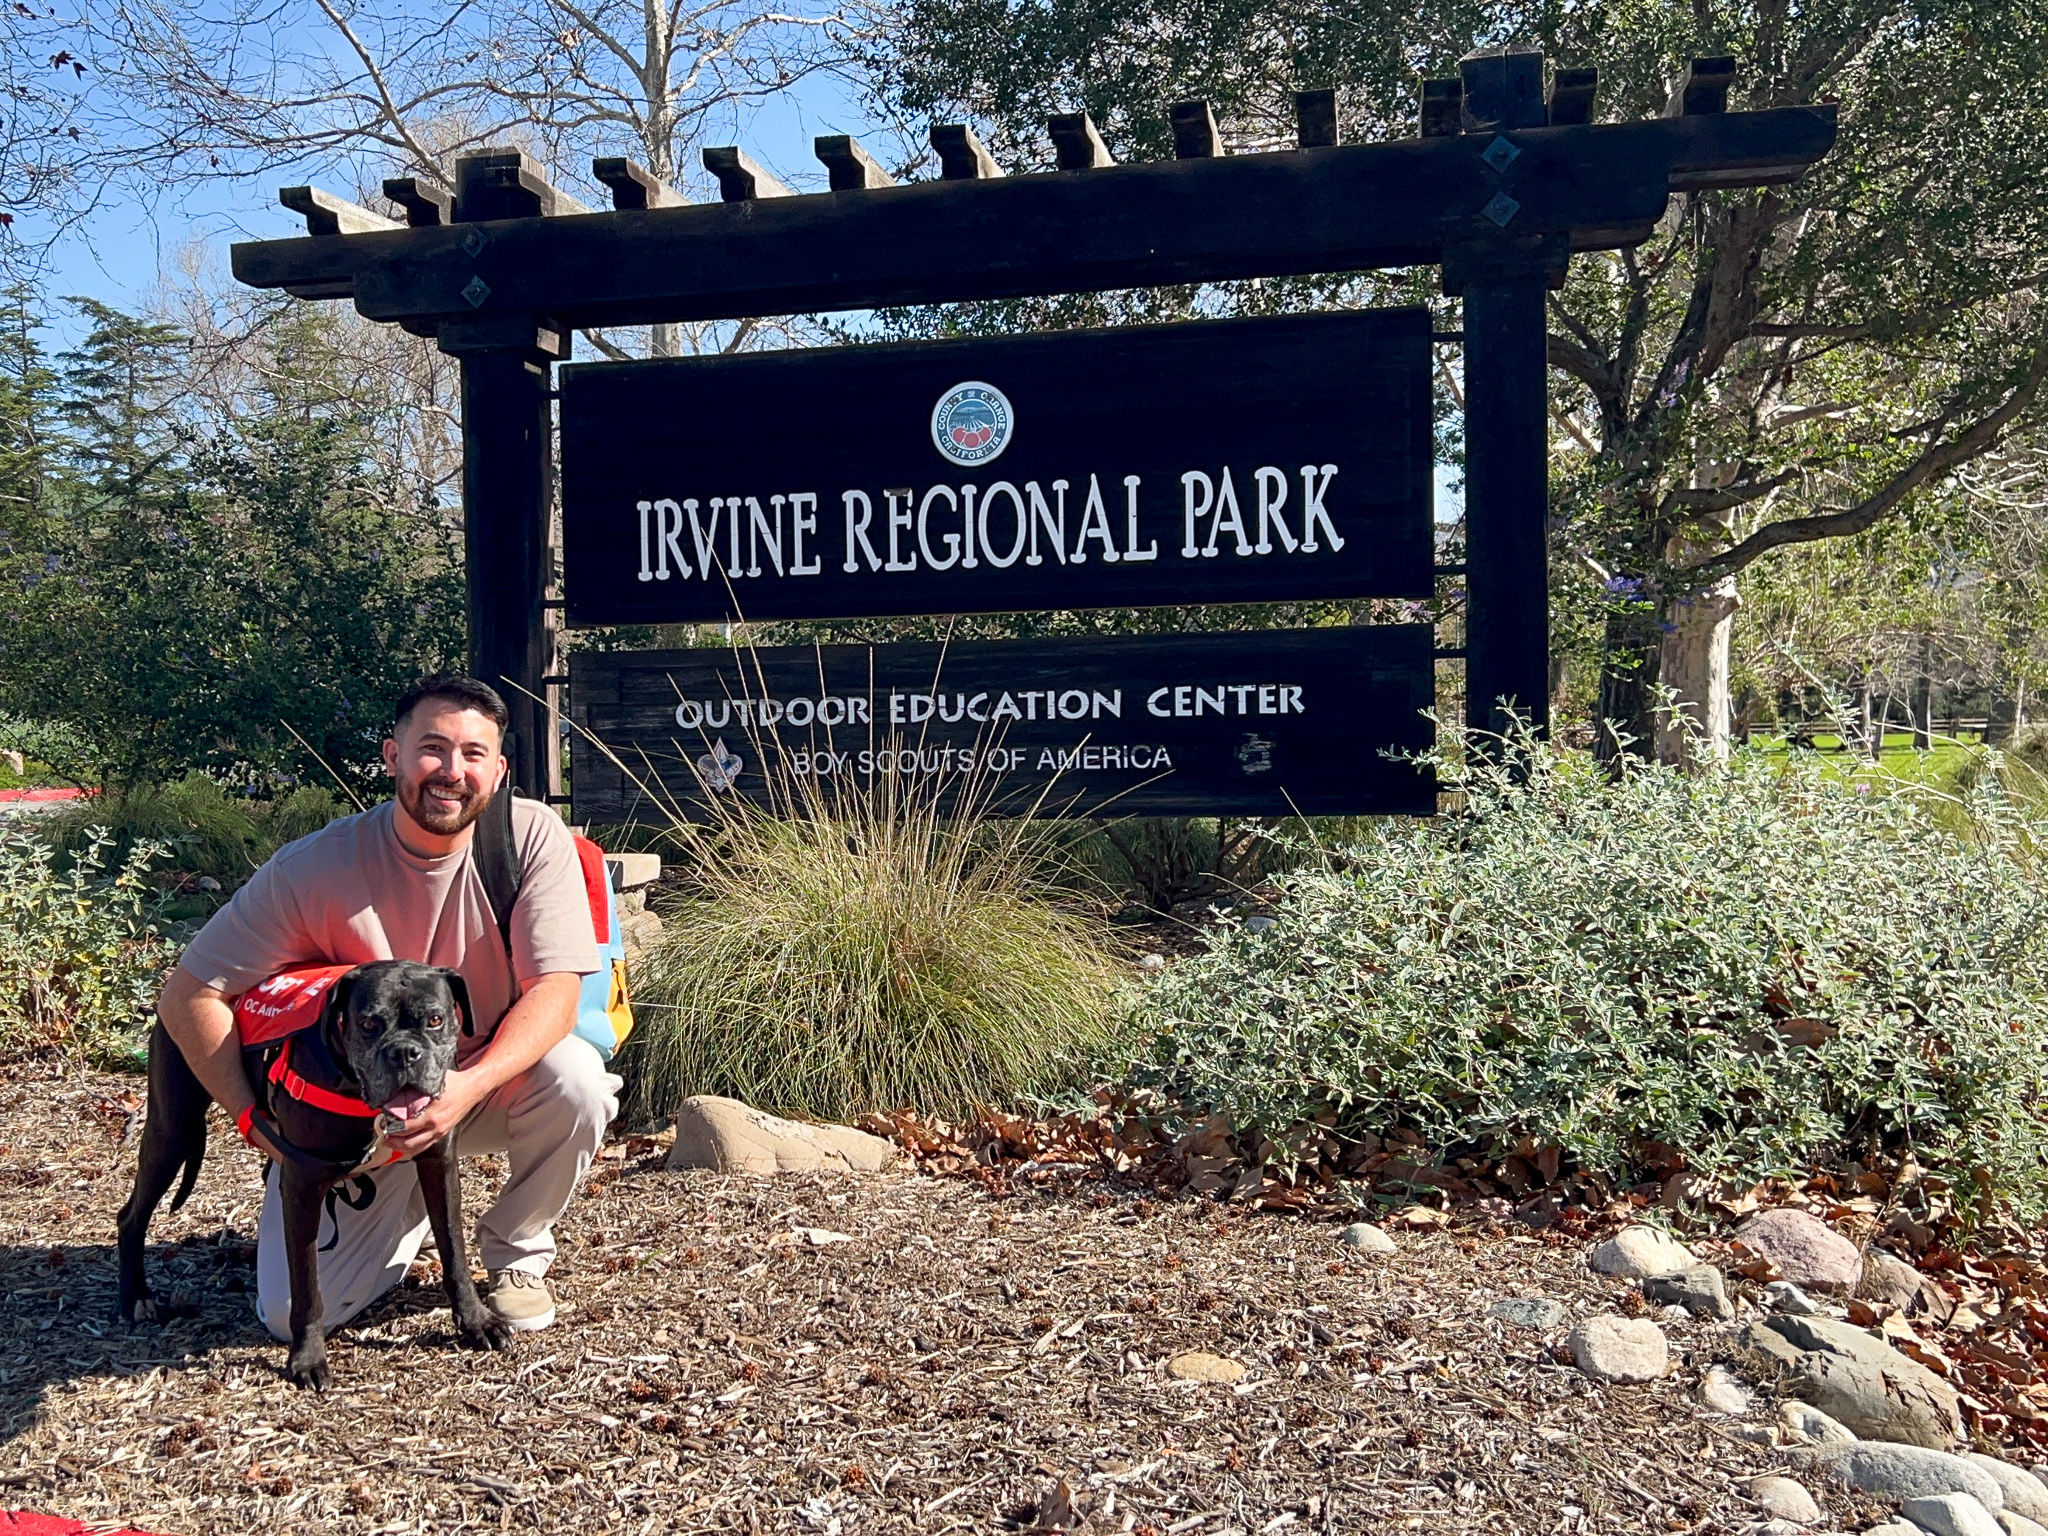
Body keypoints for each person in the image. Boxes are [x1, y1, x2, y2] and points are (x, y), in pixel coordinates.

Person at [157, 674, 616, 1337]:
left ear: (500, 768)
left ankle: (515, 1256)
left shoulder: (526, 838)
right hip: (349, 1117)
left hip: (473, 1086)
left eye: (473, 753)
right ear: (392, 756)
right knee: (291, 1320)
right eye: (432, 748)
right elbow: (190, 994)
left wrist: (464, 1088)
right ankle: (404, 1205)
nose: (451, 772)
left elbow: (557, 991)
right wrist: (251, 1116)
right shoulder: (314, 868)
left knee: (575, 1078)